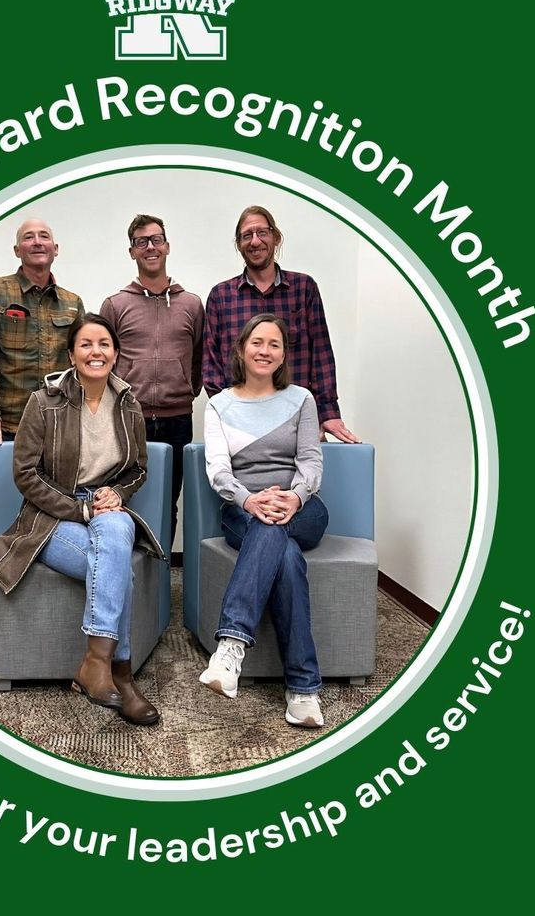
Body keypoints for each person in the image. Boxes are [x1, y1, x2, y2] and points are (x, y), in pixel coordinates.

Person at [0, 314, 164, 726]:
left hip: (106, 508)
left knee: (118, 529)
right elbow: (25, 474)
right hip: (50, 517)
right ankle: (122, 675)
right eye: (86, 344)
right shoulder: (43, 401)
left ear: (116, 354)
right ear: (71, 354)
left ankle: (95, 664)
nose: (95, 351)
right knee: (117, 568)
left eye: (104, 344)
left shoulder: (129, 403)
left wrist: (118, 493)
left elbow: (138, 468)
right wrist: (79, 508)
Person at [201, 313, 329, 727]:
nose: (265, 350)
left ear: (283, 355)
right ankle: (304, 689)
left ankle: (231, 646)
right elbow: (218, 470)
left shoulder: (302, 399)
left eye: (274, 344)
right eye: (257, 342)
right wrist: (250, 498)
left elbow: (310, 460)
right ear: (241, 349)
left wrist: (293, 496)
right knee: (285, 556)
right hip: (243, 511)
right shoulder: (219, 404)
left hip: (303, 508)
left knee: (275, 527)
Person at [203, 205, 360, 443]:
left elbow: (321, 354)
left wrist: (326, 412)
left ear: (276, 237)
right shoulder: (221, 296)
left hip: (296, 423)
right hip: (240, 429)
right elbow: (211, 366)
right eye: (247, 235)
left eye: (262, 233)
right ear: (239, 244)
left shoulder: (304, 289)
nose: (255, 241)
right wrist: (228, 417)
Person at [100, 213, 204, 542]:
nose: (150, 247)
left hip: (178, 421)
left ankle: (158, 583)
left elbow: (199, 357)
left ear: (167, 246)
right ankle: (130, 577)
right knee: (123, 499)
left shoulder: (191, 304)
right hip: (129, 420)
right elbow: (102, 362)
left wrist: (183, 391)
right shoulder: (115, 305)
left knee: (168, 502)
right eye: (141, 242)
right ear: (132, 252)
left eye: (156, 239)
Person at [0, 217, 84, 445]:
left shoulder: (73, 303)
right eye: (28, 237)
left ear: (56, 249)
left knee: (62, 483)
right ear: (17, 250)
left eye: (44, 236)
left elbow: (80, 365)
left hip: (59, 424)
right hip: (9, 426)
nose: (37, 242)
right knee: (4, 482)